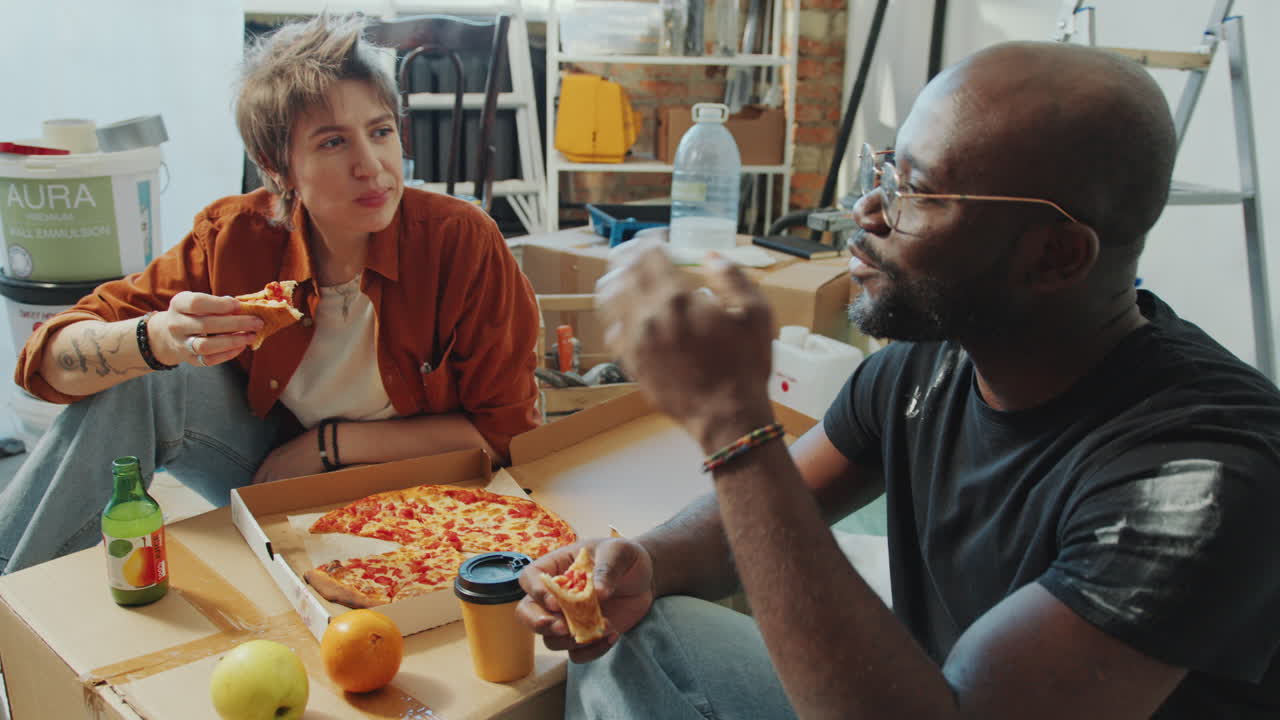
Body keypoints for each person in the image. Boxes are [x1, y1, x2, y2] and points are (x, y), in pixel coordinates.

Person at [516, 40, 1280, 719]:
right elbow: (744, 526)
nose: (868, 209)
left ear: (1054, 256)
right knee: (635, 633)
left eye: (920, 191)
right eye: (885, 169)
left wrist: (731, 424)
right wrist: (646, 559)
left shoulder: (1201, 479)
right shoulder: (932, 360)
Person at [0, 14, 540, 574]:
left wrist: (327, 445)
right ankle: (12, 599)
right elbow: (47, 360)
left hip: (421, 485)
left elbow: (503, 437)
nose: (371, 166)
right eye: (333, 142)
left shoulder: (461, 240)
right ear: (277, 168)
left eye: (380, 132)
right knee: (139, 381)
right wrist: (157, 338)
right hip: (272, 473)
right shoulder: (234, 236)